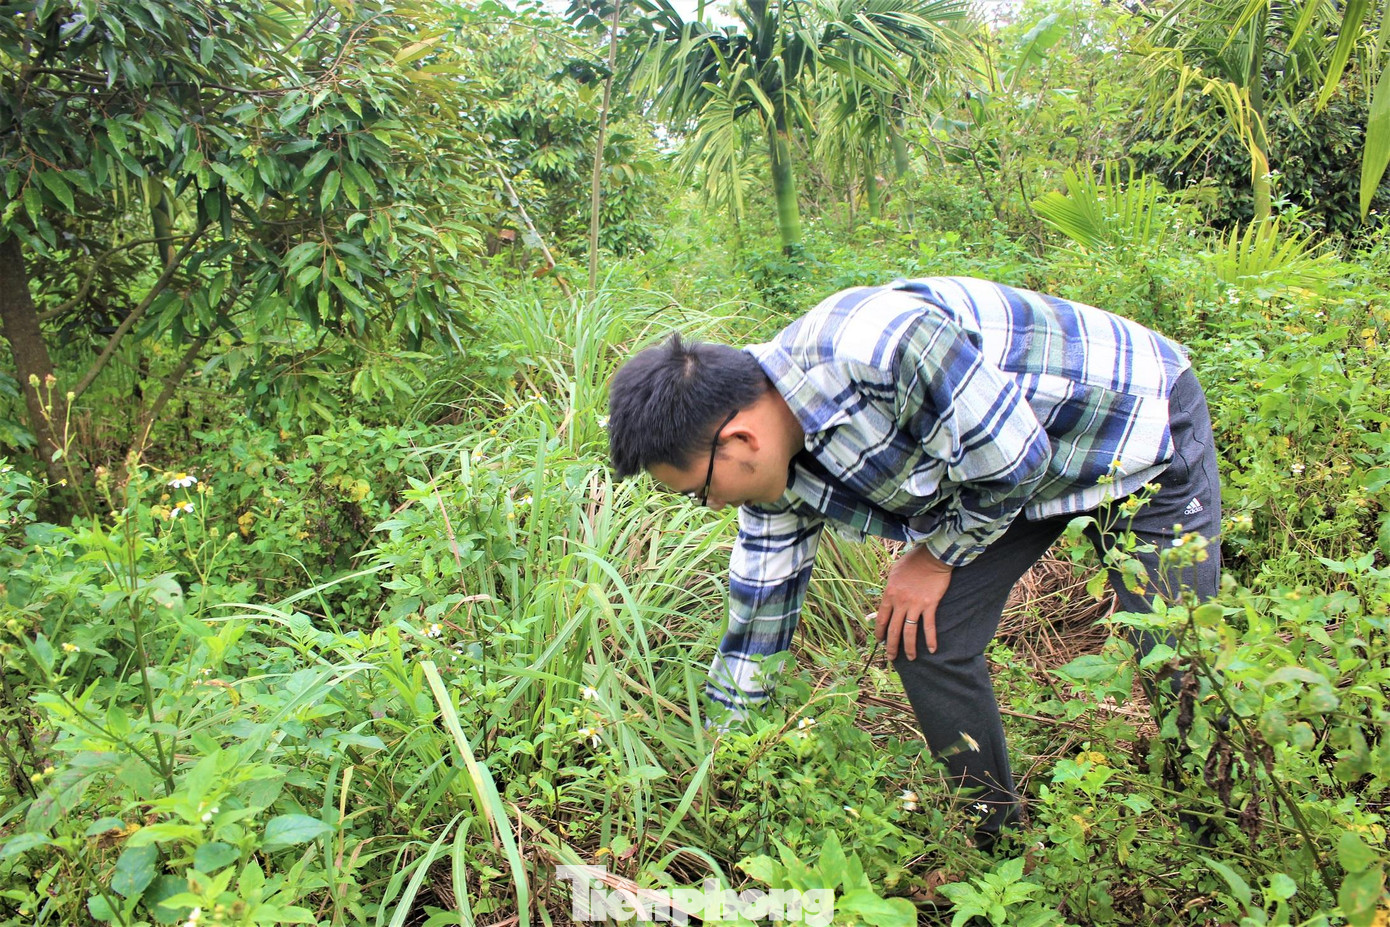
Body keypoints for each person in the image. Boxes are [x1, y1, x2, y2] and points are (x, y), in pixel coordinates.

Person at [606, 276, 1221, 845]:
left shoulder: (882, 344)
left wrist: (934, 557)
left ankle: (1217, 823)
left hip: (1128, 428)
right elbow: (758, 614)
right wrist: (725, 752)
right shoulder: (775, 478)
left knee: (1178, 651)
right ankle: (997, 842)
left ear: (741, 441)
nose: (711, 504)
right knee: (923, 637)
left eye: (699, 490)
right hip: (1001, 479)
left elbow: (1014, 460)